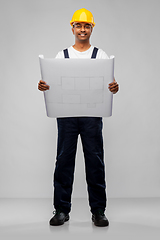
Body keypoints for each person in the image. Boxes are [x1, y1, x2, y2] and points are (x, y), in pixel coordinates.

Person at [38, 8, 119, 227]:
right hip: (67, 116)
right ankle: (61, 210)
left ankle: (99, 210)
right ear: (72, 28)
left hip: (92, 116)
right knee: (64, 161)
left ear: (92, 28)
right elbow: (53, 84)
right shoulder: (61, 55)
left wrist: (114, 87)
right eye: (79, 25)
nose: (82, 29)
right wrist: (44, 86)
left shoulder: (100, 55)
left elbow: (109, 85)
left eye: (86, 26)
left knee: (95, 162)